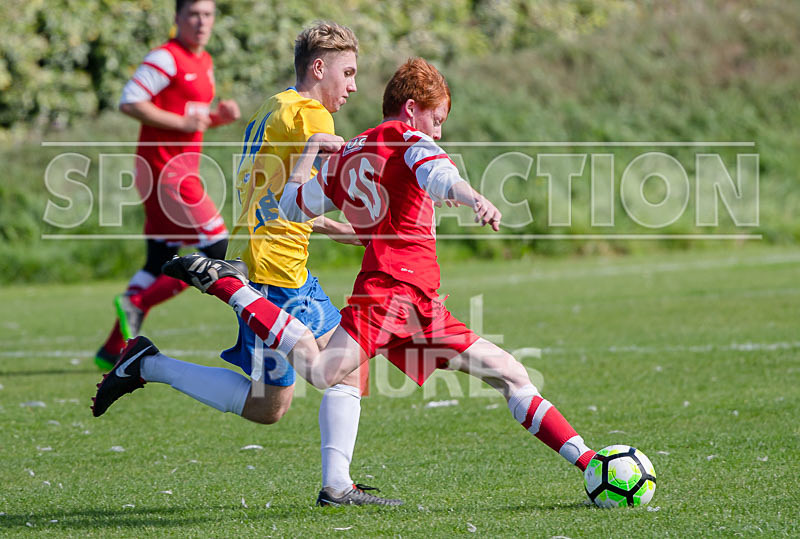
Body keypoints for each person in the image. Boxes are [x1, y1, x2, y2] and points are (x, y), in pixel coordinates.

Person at [101, 57, 599, 501]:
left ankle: (591, 464)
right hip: (389, 295)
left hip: (420, 302)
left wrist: (312, 157)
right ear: (411, 110)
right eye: (437, 120)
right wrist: (473, 198)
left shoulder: (350, 152)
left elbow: (295, 205)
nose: (439, 133)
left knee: (510, 373)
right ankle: (229, 287)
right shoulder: (410, 140)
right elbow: (438, 172)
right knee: (323, 373)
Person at [93, 22, 402, 507]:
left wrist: (346, 232)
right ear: (318, 68)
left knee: (275, 402)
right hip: (275, 277)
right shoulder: (313, 117)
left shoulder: (272, 109)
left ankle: (146, 363)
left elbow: (277, 201)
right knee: (325, 378)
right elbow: (309, 193)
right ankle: (150, 365)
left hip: (271, 264)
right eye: (348, 72)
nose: (353, 85)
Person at [94, 0, 240, 371]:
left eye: (208, 14)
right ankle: (138, 305)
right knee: (218, 247)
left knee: (158, 260)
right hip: (167, 173)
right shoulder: (166, 58)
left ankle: (111, 349)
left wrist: (216, 119)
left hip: (171, 171)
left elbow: (190, 120)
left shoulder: (203, 62)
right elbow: (130, 101)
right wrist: (182, 125)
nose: (201, 21)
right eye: (193, 14)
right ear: (176, 19)